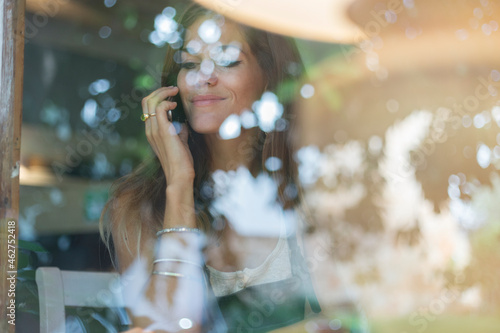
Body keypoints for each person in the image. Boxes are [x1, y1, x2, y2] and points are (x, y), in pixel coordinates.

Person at [101, 2, 321, 332]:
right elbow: (163, 327)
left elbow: (352, 317)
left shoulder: (310, 184)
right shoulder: (137, 206)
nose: (204, 77)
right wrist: (179, 184)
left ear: (269, 76)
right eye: (190, 63)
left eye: (228, 60)